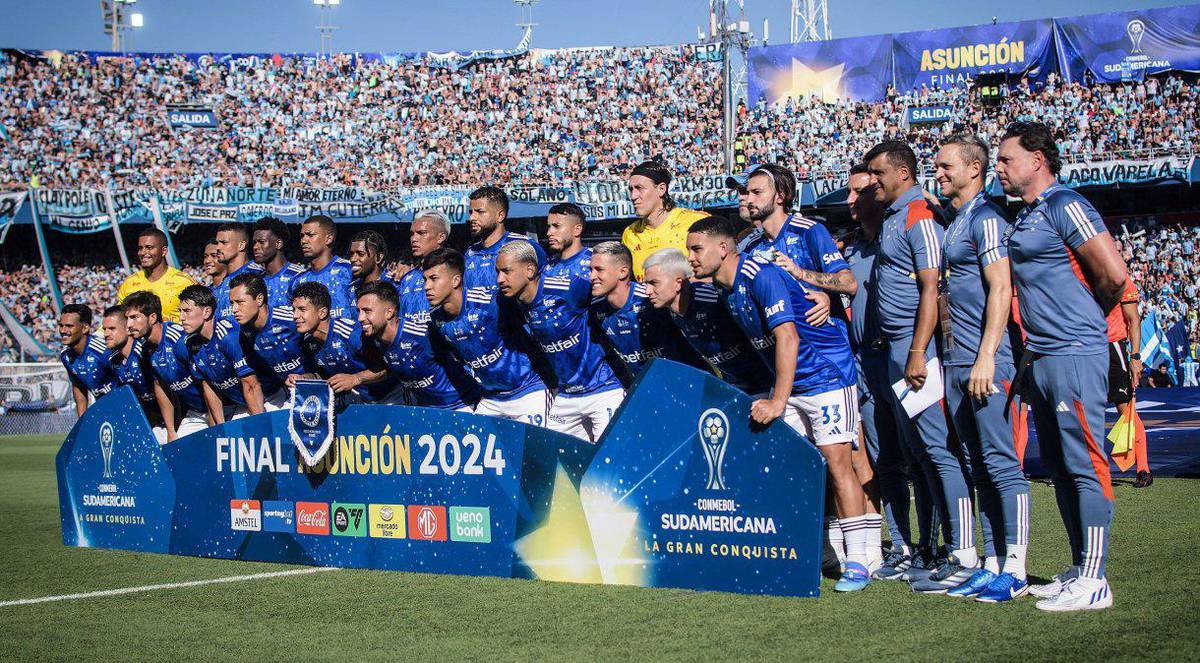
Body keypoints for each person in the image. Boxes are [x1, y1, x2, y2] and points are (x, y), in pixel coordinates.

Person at [685, 216, 870, 593]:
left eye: (696, 249)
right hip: (794, 384)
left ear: (723, 249)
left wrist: (777, 401)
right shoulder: (723, 287)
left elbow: (788, 338)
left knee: (838, 465)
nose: (690, 257)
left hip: (826, 377)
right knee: (803, 470)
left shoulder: (760, 276)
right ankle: (817, 554)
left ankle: (860, 561)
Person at [998, 121, 1127, 611]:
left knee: (1084, 461)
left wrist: (1083, 321)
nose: (1001, 169)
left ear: (1037, 159)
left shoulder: (1066, 204)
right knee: (1058, 464)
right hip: (1043, 354)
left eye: (1008, 159)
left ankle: (1096, 579)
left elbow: (1113, 275)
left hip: (1074, 351)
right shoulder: (1025, 216)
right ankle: (1078, 566)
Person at [866, 139, 974, 585]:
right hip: (896, 350)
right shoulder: (894, 218)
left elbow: (932, 287)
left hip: (916, 351)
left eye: (878, 173)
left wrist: (916, 351)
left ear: (903, 174)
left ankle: (963, 552)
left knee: (938, 451)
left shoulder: (919, 216)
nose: (873, 181)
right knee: (917, 453)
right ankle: (933, 550)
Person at [934, 133, 1032, 601]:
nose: (939, 173)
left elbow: (1001, 287)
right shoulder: (957, 222)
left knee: (1001, 464)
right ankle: (992, 560)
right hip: (956, 360)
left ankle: (1016, 566)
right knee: (975, 464)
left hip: (983, 360)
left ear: (975, 169)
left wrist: (988, 356)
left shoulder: (988, 218)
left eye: (946, 166)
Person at [840, 163, 921, 582]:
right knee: (882, 461)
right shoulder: (849, 249)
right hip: (865, 365)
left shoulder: (901, 237)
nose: (851, 201)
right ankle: (904, 544)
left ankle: (936, 545)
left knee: (922, 456)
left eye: (859, 192)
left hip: (905, 359)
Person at [496, 240, 624, 442]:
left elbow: (609, 294)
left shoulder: (566, 288)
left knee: (608, 463)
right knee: (557, 465)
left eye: (506, 271)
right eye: (498, 272)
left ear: (530, 270)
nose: (500, 279)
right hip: (566, 396)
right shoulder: (509, 303)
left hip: (603, 389)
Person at [423, 248, 550, 424]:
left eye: (434, 279)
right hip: (491, 400)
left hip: (527, 392)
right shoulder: (436, 319)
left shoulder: (490, 303)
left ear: (456, 280)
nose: (427, 286)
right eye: (425, 279)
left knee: (533, 451)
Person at [642, 248, 774, 397]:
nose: (647, 291)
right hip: (735, 387)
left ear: (678, 283)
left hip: (767, 383)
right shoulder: (668, 310)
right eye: (646, 284)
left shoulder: (714, 298)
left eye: (654, 283)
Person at [737, 164, 857, 327]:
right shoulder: (750, 247)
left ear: (780, 196)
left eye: (756, 193)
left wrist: (800, 274)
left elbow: (848, 282)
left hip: (827, 344)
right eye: (747, 193)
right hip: (787, 344)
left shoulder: (809, 231)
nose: (748, 200)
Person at [357, 280, 474, 410]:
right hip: (424, 412)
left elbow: (464, 356)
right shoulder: (374, 340)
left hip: (461, 407)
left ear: (389, 313)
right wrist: (357, 378)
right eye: (359, 311)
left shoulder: (422, 335)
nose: (360, 318)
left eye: (367, 311)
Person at [589, 241, 698, 378]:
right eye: (590, 270)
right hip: (647, 389)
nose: (591, 276)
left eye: (599, 270)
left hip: (687, 381)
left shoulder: (653, 298)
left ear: (623, 272)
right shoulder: (595, 308)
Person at [179, 284, 278, 423]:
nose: (181, 317)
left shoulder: (229, 337)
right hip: (242, 404)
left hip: (268, 399)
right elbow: (209, 388)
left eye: (187, 311)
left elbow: (251, 385)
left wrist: (261, 426)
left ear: (206, 312)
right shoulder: (191, 344)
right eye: (180, 311)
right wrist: (220, 428)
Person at [289, 281, 400, 406]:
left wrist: (355, 378)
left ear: (322, 313)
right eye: (293, 310)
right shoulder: (307, 341)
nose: (295, 315)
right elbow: (322, 374)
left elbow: (389, 367)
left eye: (302, 310)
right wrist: (304, 378)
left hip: (390, 398)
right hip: (358, 402)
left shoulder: (352, 334)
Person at [123, 291, 209, 442]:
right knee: (178, 451)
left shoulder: (179, 339)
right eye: (127, 319)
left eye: (134, 317)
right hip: (195, 414)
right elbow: (160, 387)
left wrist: (217, 423)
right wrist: (171, 430)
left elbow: (208, 381)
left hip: (222, 408)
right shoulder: (146, 349)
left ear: (153, 318)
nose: (129, 325)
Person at [228, 273, 311, 401]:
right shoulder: (244, 331)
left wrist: (309, 376)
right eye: (232, 303)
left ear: (260, 299)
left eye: (239, 302)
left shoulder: (290, 318)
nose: (234, 309)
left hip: (315, 386)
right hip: (282, 392)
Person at [621, 160, 708, 280]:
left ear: (661, 189)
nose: (633, 196)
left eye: (639, 188)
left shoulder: (695, 222)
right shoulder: (629, 234)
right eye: (631, 189)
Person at [1103, 278, 1151, 488]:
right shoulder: (1079, 275)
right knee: (1082, 409)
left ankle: (1143, 469)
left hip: (1113, 348)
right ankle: (1086, 468)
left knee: (1126, 408)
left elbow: (1133, 319)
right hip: (1086, 348)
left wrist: (1135, 356)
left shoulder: (1120, 279)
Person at [116, 228, 196, 323]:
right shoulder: (129, 283)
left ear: (164, 251)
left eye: (149, 247)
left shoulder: (183, 282)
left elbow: (199, 317)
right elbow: (118, 318)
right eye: (140, 248)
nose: (142, 253)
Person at [59, 303, 117, 417]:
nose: (63, 330)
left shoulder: (103, 351)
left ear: (85, 328)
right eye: (61, 325)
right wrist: (82, 424)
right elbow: (78, 387)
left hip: (127, 407)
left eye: (69, 326)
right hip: (105, 410)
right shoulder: (65, 356)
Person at [294, 215, 356, 320]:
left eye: (310, 235)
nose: (304, 240)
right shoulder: (298, 280)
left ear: (328, 238)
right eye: (302, 236)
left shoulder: (348, 270)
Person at [211, 223, 264, 321]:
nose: (217, 247)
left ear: (241, 245)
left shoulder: (258, 275)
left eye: (224, 242)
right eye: (217, 242)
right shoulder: (223, 279)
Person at [251, 216, 304, 308]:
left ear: (278, 244)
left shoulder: (298, 276)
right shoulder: (255, 281)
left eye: (261, 242)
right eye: (254, 242)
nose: (255, 247)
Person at [544, 203, 592, 280]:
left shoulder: (593, 261)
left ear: (577, 230)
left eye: (556, 226)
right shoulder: (548, 265)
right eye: (549, 227)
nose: (549, 233)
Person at [348, 229, 396, 296]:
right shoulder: (350, 288)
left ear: (378, 257)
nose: (352, 259)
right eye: (351, 254)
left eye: (361, 254)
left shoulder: (394, 287)